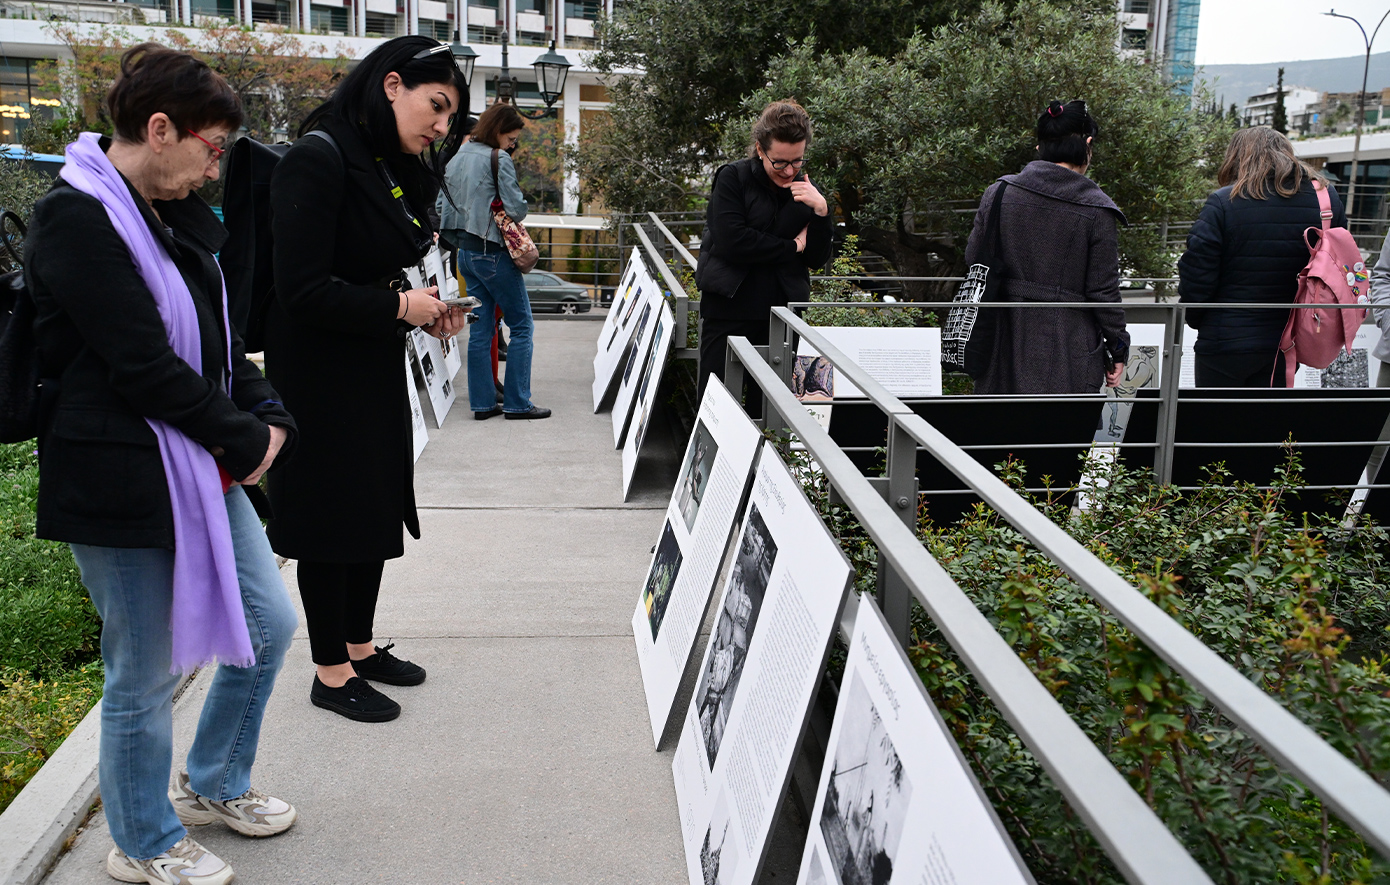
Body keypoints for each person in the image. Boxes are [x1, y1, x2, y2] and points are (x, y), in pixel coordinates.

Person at [24, 44, 299, 884]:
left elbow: (219, 345)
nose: (215, 169)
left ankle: (212, 780)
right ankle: (141, 839)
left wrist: (268, 414)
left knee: (269, 623)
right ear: (160, 129)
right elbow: (142, 363)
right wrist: (245, 440)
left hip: (196, 464)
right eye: (213, 148)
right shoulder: (76, 216)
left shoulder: (167, 212)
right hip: (117, 478)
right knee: (143, 671)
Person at [264, 36, 469, 723]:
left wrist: (423, 309)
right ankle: (330, 671)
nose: (441, 125)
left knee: (373, 503)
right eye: (436, 106)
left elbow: (386, 268)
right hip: (318, 373)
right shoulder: (318, 157)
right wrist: (399, 308)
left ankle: (358, 645)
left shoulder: (385, 162)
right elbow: (301, 291)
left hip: (370, 359)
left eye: (450, 116)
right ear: (391, 85)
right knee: (332, 515)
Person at [964, 99, 1128, 395]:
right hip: (1067, 344)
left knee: (997, 421)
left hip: (1000, 334)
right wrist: (1118, 347)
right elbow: (1103, 291)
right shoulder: (1097, 210)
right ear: (1088, 145)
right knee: (1059, 422)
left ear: (1040, 147)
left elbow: (974, 258)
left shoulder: (999, 193)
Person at [1178, 126, 1348, 387]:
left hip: (1224, 338)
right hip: (1288, 339)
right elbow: (1340, 265)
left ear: (1236, 158)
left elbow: (1197, 271)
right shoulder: (1326, 201)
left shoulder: (1224, 202)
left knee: (1215, 412)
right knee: (1268, 412)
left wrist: (1197, 318)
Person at [695, 99, 833, 412]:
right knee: (716, 407)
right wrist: (792, 247)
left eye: (797, 161)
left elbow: (816, 258)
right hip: (729, 309)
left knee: (773, 413)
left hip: (782, 315)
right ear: (760, 149)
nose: (790, 171)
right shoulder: (733, 178)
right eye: (780, 163)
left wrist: (822, 212)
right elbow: (733, 243)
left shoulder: (807, 190)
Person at [438, 102, 550, 420]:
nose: (512, 145)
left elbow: (441, 204)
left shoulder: (458, 155)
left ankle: (483, 404)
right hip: (493, 254)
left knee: (481, 329)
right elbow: (516, 209)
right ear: (498, 130)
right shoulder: (497, 158)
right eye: (511, 138)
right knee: (522, 326)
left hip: (465, 255)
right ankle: (517, 403)